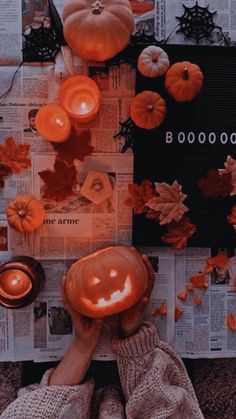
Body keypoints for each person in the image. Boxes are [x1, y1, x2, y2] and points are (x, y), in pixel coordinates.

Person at [0, 255, 203, 418]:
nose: (106, 292)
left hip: (66, 389)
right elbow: (166, 410)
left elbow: (34, 412)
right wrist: (133, 340)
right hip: (142, 383)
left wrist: (83, 344)